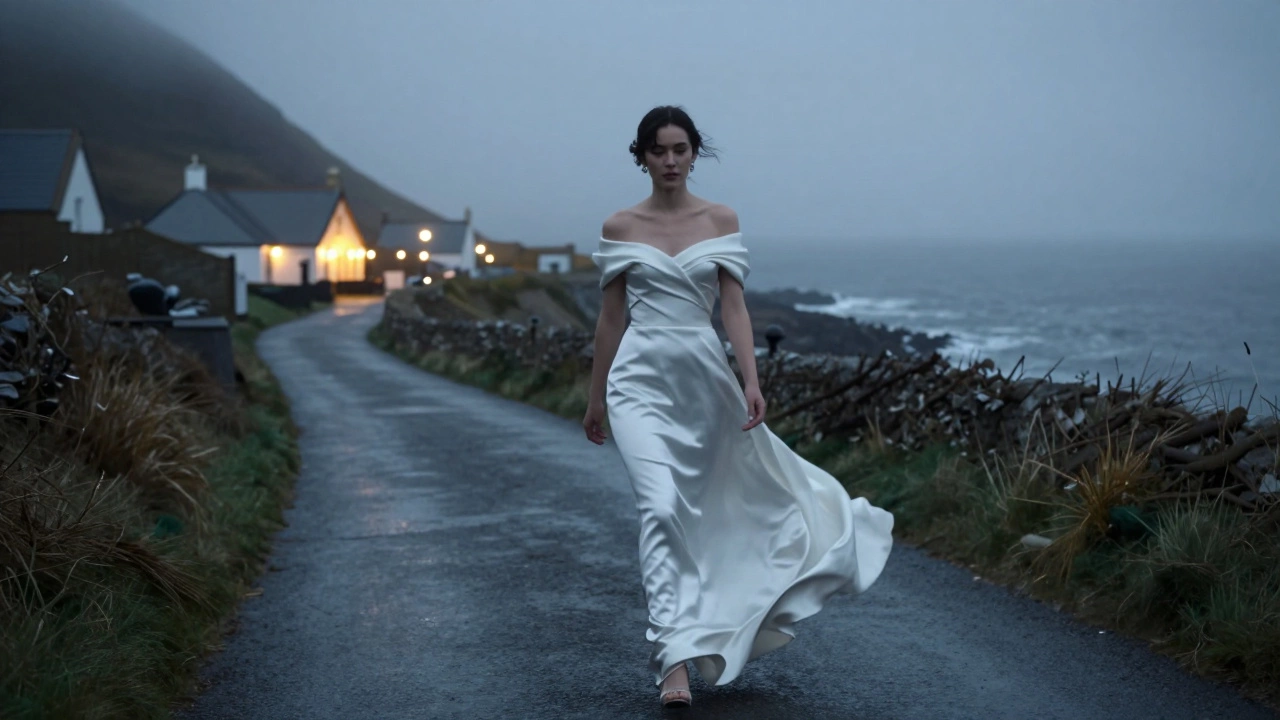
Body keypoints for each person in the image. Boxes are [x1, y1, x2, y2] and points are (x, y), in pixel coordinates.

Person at [583, 105, 895, 710]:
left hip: (705, 382)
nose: (670, 160)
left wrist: (751, 380)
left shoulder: (719, 219)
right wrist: (596, 397)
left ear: (695, 152)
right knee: (662, 508)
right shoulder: (620, 226)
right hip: (637, 385)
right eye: (658, 150)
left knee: (718, 511)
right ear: (641, 157)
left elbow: (733, 309)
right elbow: (610, 318)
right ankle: (672, 659)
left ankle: (721, 622)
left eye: (680, 149)